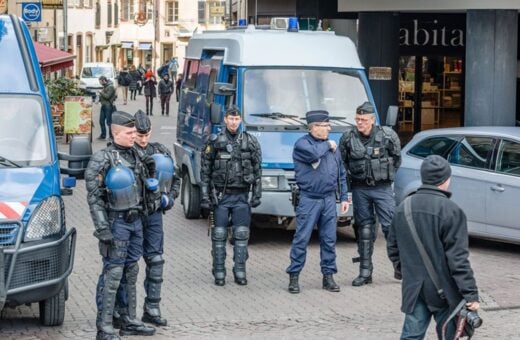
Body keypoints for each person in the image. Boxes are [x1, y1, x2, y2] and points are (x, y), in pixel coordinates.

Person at [387, 155, 480, 339]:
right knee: (449, 335)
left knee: (411, 336)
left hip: (414, 287)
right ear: (445, 180)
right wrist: (471, 294)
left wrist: (403, 271)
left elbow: (392, 247)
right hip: (444, 290)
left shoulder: (403, 207)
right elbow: (458, 260)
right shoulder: (451, 211)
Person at [85, 111, 156, 340]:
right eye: (129, 132)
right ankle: (104, 327)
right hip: (116, 222)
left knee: (131, 270)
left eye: (135, 131)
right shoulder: (102, 158)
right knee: (113, 272)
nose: (134, 135)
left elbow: (146, 187)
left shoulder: (137, 155)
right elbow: (94, 197)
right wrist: (102, 227)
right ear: (116, 133)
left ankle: (128, 320)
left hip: (137, 221)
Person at [113, 110, 180, 327]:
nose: (142, 139)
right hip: (131, 216)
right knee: (126, 265)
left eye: (145, 134)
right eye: (139, 135)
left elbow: (175, 178)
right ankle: (122, 311)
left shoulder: (159, 151)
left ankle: (152, 307)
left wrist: (169, 199)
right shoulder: (124, 153)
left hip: (153, 215)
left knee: (155, 260)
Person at [286, 110, 350, 294]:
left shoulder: (332, 148)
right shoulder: (302, 144)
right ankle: (294, 276)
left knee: (329, 239)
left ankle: (328, 277)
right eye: (325, 125)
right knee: (302, 238)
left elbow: (341, 174)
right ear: (314, 127)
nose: (329, 128)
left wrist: (344, 197)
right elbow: (314, 155)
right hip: (309, 198)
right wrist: (329, 145)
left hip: (329, 199)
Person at [339, 101, 401, 287]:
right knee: (364, 229)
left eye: (364, 119)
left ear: (372, 120)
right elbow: (342, 164)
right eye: (357, 119)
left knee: (391, 228)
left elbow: (396, 160)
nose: (360, 123)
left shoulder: (388, 136)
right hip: (360, 189)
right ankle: (365, 272)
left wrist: (384, 177)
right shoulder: (348, 137)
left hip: (382, 189)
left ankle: (400, 266)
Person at [200, 106, 262, 286]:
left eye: (237, 119)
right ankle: (219, 271)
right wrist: (205, 195)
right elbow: (205, 170)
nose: (234, 122)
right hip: (221, 196)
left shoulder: (250, 141)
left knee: (241, 235)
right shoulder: (214, 141)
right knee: (219, 235)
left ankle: (240, 270)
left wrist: (257, 194)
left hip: (242, 196)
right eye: (230, 119)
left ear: (240, 120)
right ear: (225, 119)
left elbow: (258, 170)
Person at [97, 75, 117, 140]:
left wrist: (101, 92)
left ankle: (111, 136)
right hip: (103, 105)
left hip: (108, 106)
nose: (99, 83)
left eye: (100, 82)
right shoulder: (105, 86)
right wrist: (99, 100)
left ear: (103, 81)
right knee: (101, 121)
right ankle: (103, 135)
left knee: (109, 122)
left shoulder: (110, 87)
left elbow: (107, 96)